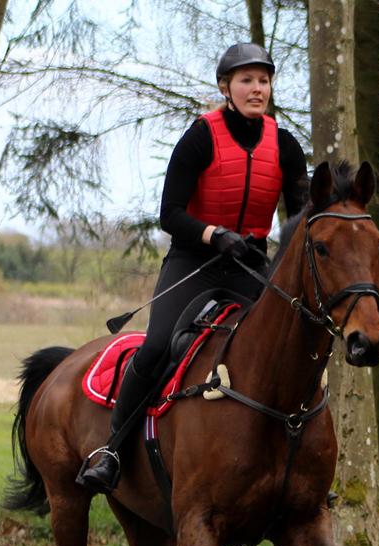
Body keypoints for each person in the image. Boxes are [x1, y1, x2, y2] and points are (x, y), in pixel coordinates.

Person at [77, 42, 309, 494]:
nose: (256, 88)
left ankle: (298, 463)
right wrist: (214, 235)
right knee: (158, 346)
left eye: (263, 81)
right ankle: (111, 450)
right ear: (226, 87)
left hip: (250, 264)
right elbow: (171, 213)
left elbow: (300, 219)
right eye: (246, 80)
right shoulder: (201, 136)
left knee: (288, 347)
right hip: (195, 261)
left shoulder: (284, 145)